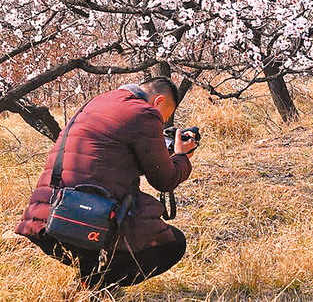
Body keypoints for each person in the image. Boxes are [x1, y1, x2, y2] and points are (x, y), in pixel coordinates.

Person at [15, 76, 197, 290]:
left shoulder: (95, 103)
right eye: (163, 117)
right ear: (157, 102)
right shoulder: (144, 112)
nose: (161, 121)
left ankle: (89, 281)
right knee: (172, 244)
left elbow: (108, 159)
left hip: (44, 222)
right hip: (84, 223)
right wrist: (181, 157)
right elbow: (165, 180)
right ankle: (95, 284)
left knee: (110, 236)